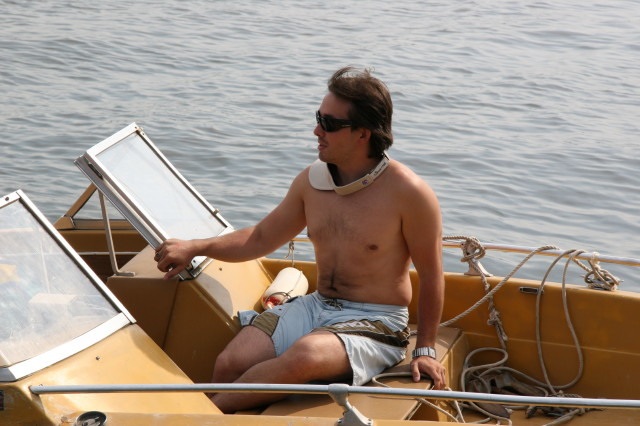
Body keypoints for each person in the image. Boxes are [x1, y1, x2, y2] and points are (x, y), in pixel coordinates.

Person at [155, 66, 446, 413]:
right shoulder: (312, 182)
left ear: (363, 133)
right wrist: (195, 247)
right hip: (316, 305)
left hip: (377, 320)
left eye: (330, 124)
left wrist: (425, 350)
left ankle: (199, 418)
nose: (317, 130)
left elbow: (432, 275)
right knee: (231, 363)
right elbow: (260, 238)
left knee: (306, 354)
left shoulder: (409, 193)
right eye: (318, 118)